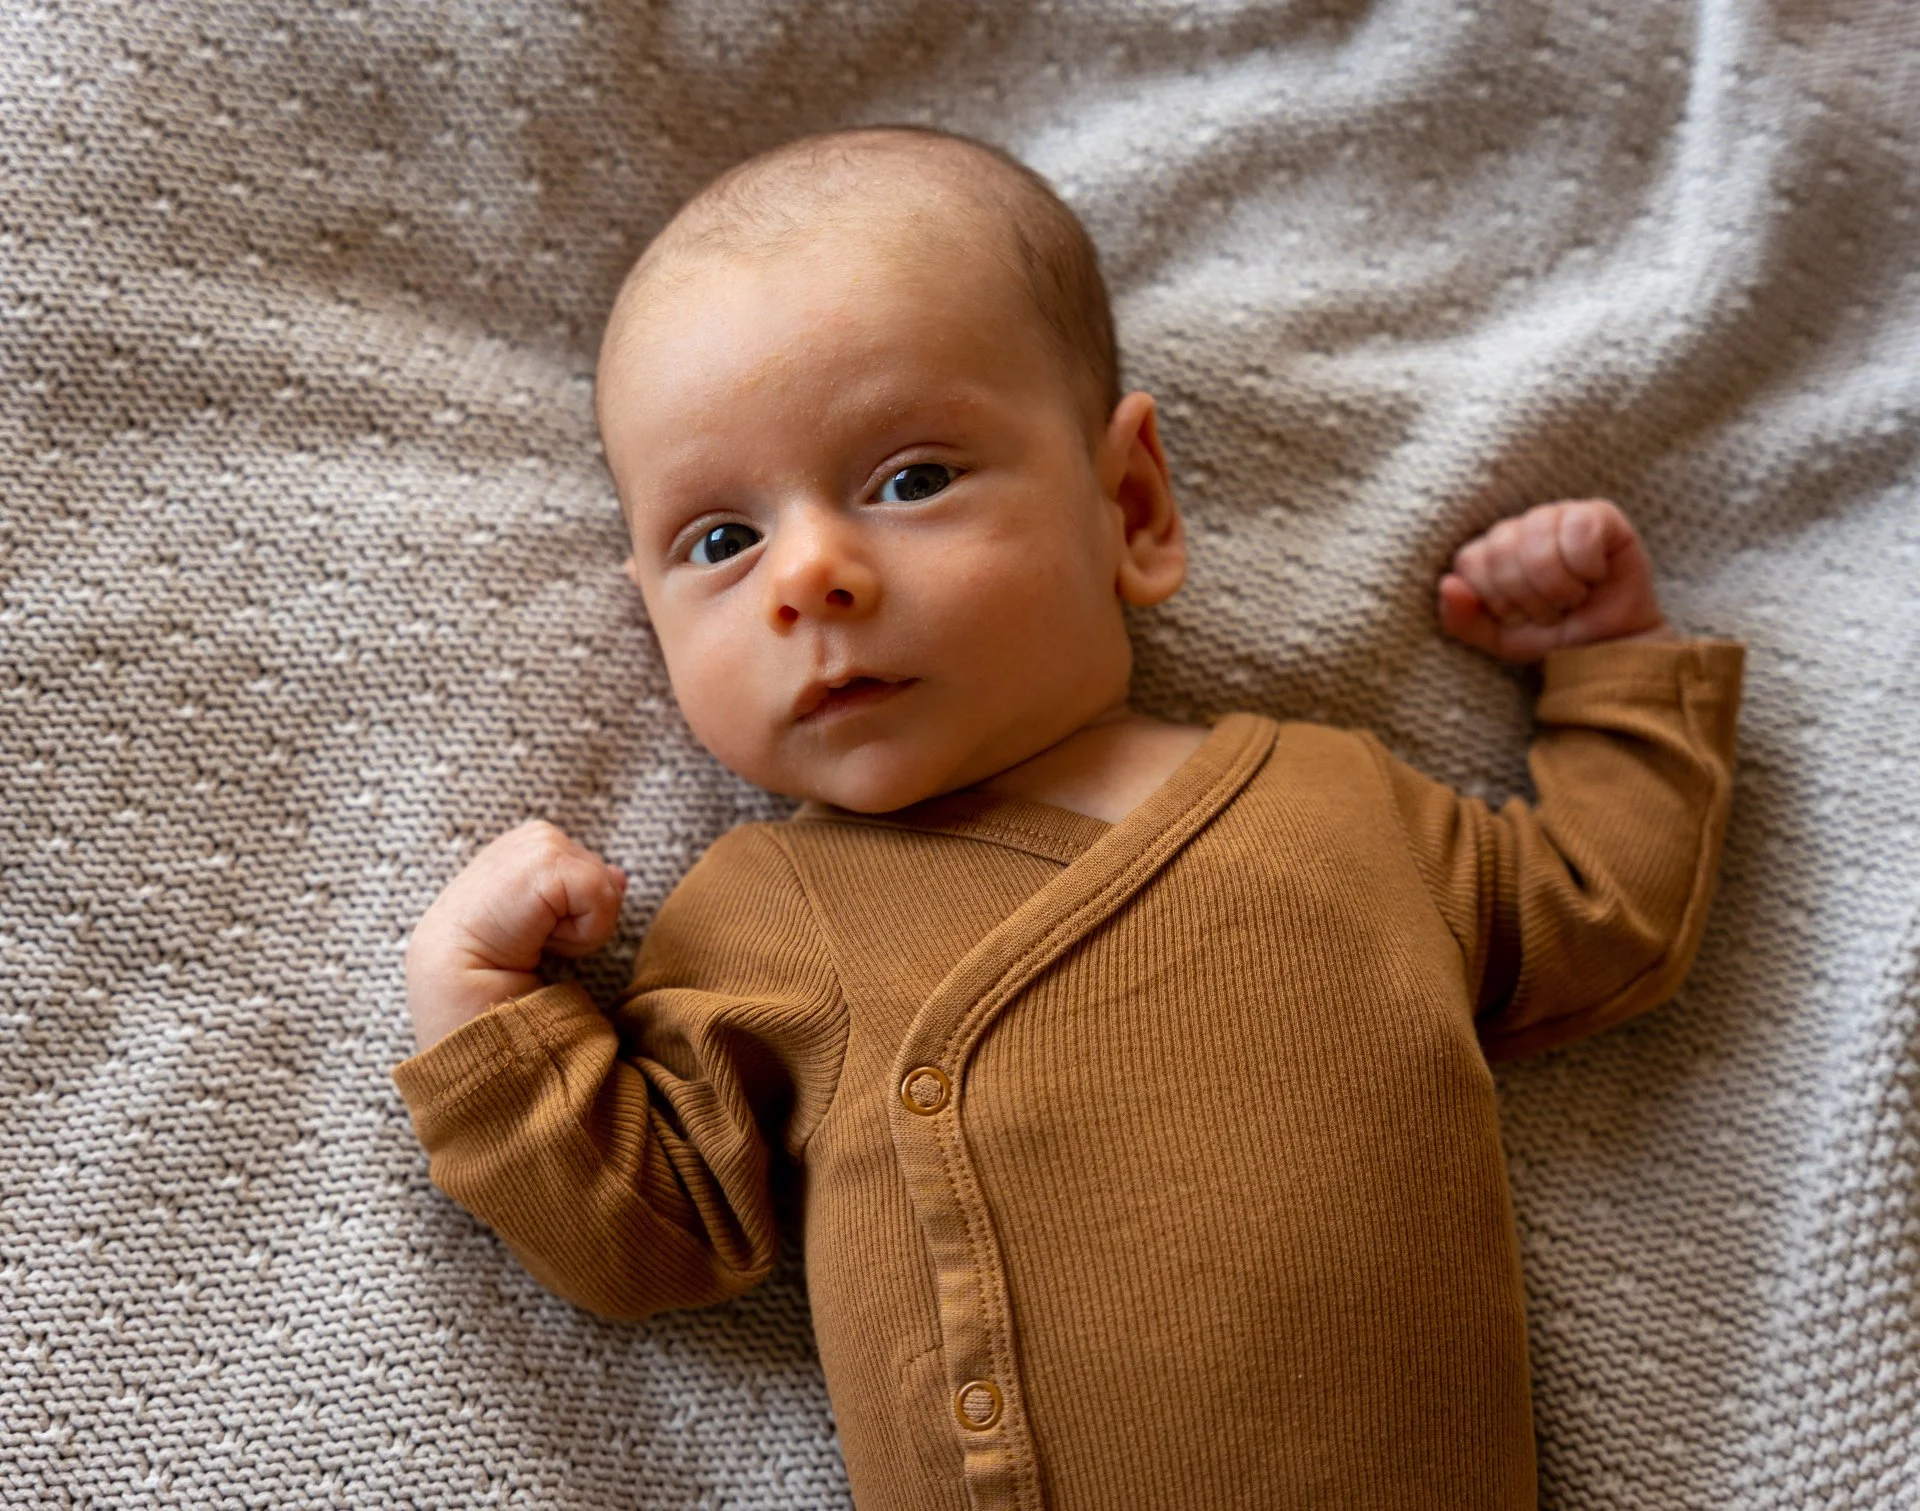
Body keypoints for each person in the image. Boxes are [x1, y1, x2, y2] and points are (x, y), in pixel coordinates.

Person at [393, 125, 1744, 1510]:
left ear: (1131, 506)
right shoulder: (761, 911)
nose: (809, 573)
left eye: (910, 478)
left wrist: (1611, 667)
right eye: (720, 542)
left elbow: (1603, 908)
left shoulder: (1336, 802)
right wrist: (486, 1011)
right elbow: (650, 1231)